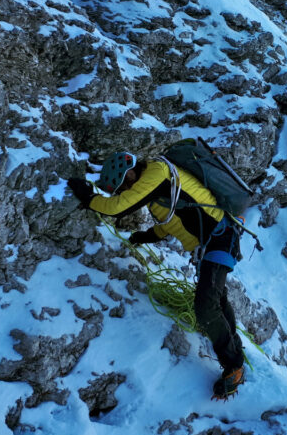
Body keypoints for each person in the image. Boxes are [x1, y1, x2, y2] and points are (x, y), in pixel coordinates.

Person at [67, 151, 246, 399]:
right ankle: (235, 354)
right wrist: (147, 236)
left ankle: (234, 365)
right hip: (213, 243)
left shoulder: (157, 172)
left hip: (220, 237)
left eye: (124, 185)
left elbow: (118, 209)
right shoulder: (158, 192)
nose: (124, 191)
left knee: (206, 308)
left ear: (129, 172)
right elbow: (172, 221)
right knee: (216, 302)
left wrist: (88, 198)